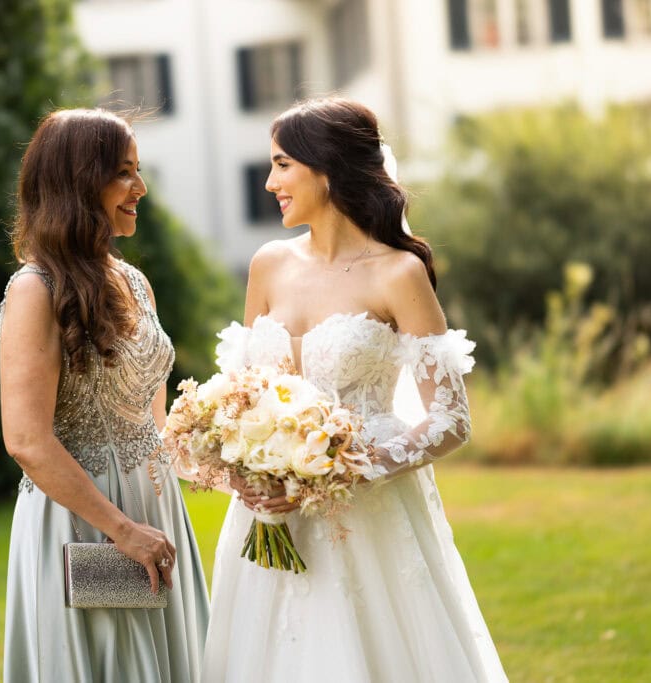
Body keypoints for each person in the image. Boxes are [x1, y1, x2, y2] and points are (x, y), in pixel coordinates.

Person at [202, 98, 508, 682]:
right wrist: (243, 469)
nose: (270, 183)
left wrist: (337, 472)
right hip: (268, 517)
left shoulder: (398, 273)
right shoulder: (268, 265)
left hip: (365, 516)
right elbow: (244, 394)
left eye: (282, 165)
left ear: (327, 169)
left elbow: (450, 420)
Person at [0, 108, 208, 682]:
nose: (140, 188)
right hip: (86, 523)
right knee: (113, 664)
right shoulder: (35, 289)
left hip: (155, 508)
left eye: (137, 170)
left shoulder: (133, 281)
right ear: (79, 183)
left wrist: (225, 460)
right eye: (123, 172)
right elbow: (26, 440)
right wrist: (122, 530)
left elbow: (153, 413)